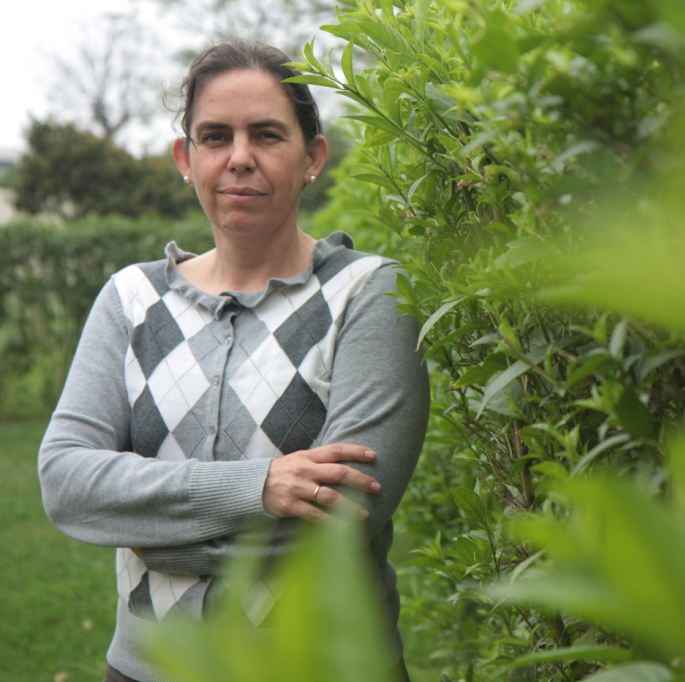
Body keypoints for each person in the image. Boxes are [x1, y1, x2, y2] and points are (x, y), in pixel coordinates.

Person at [37, 38, 429, 682]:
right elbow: (65, 481)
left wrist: (149, 530)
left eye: (267, 135)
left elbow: (339, 518)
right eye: (215, 136)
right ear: (186, 159)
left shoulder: (369, 295)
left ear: (313, 157)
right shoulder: (130, 300)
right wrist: (258, 489)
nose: (239, 157)